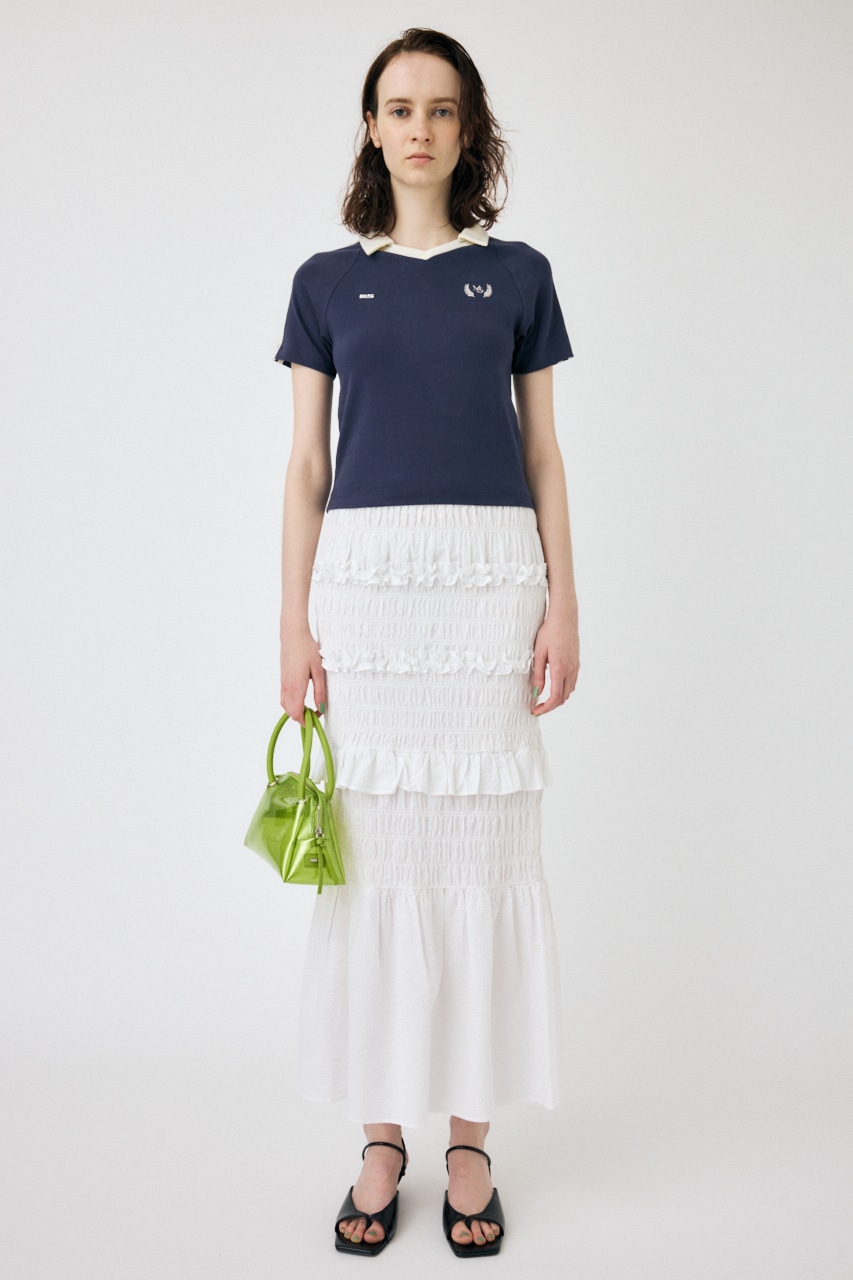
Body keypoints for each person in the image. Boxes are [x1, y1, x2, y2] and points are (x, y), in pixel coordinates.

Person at [275, 27, 580, 1257]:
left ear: (468, 130)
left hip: (489, 581)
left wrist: (565, 600)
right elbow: (306, 463)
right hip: (367, 589)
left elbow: (544, 452)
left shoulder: (520, 276)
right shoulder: (322, 281)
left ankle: (466, 1138)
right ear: (371, 126)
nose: (419, 128)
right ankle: (380, 1135)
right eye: (398, 107)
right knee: (375, 858)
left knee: (482, 854)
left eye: (441, 109)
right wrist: (290, 621)